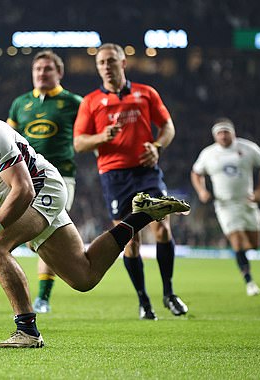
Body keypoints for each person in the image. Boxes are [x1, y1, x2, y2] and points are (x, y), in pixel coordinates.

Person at [0, 96, 190, 348]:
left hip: (43, 189)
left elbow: (24, 189)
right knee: (84, 276)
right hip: (20, 202)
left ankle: (27, 330)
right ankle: (141, 215)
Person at [73, 43, 188, 320]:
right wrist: (103, 138)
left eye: (111, 61)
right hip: (114, 176)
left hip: (146, 171)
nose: (106, 67)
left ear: (123, 63)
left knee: (162, 228)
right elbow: (79, 143)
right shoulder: (90, 101)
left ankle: (169, 293)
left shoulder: (145, 93)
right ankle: (143, 300)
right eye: (101, 63)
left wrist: (158, 146)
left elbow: (168, 126)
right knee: (130, 240)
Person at [6, 50, 83, 314]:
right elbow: (8, 138)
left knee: (42, 230)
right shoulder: (20, 103)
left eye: (48, 69)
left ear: (59, 73)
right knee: (34, 237)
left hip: (60, 177)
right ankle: (48, 289)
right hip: (26, 178)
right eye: (37, 69)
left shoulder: (73, 102)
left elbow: (87, 133)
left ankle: (43, 298)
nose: (41, 73)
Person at [191, 118, 260, 296]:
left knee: (254, 244)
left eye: (226, 132)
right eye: (219, 133)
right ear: (214, 136)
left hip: (247, 202)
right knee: (237, 240)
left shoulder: (248, 148)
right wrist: (202, 191)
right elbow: (196, 173)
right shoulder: (208, 154)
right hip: (225, 204)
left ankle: (244, 264)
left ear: (233, 132)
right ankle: (249, 281)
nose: (223, 136)